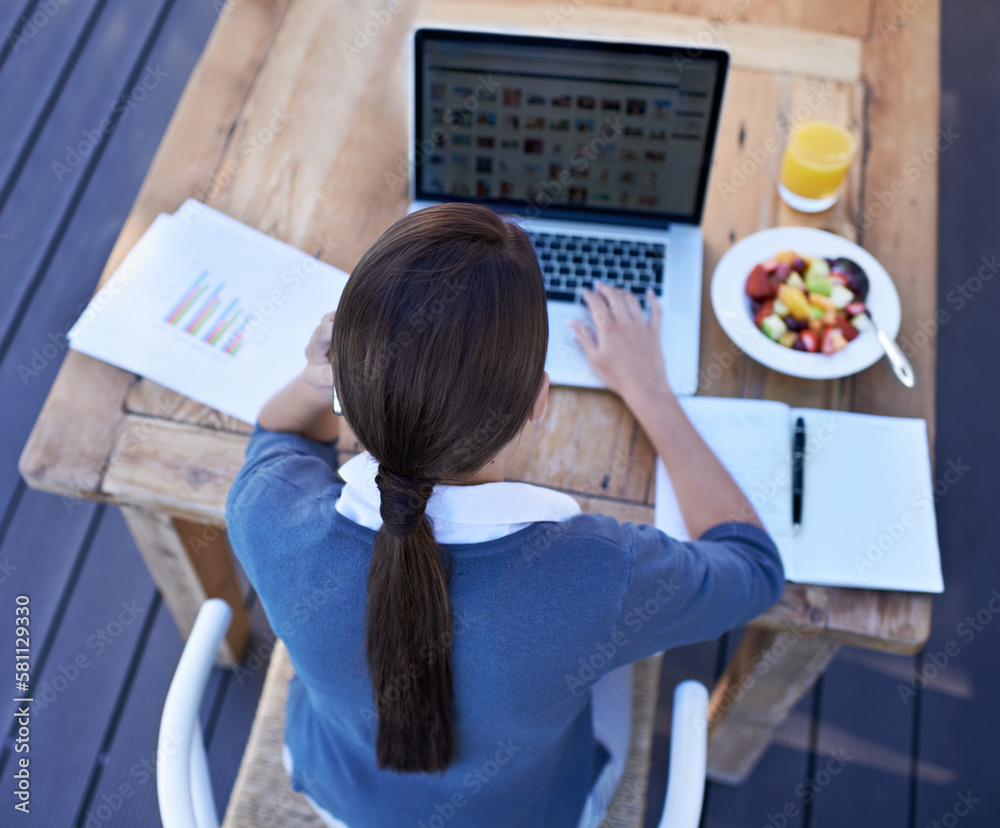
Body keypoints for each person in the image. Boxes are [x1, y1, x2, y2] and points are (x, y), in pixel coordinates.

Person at [225, 203, 784, 828]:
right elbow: (753, 569)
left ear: (342, 389)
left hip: (342, 797)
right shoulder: (603, 575)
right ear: (539, 399)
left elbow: (278, 439)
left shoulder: (268, 515)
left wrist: (317, 382)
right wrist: (652, 391)